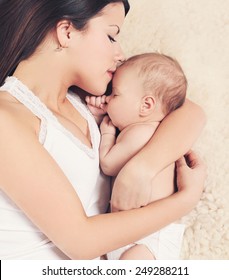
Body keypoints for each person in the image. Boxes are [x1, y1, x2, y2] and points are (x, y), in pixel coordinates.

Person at [0, 0, 206, 260]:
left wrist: (141, 168)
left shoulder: (92, 103)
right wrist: (184, 201)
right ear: (67, 32)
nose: (120, 54)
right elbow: (81, 241)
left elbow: (189, 111)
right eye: (111, 36)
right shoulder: (7, 118)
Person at [86, 52, 191, 259]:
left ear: (146, 105)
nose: (107, 99)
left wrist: (105, 129)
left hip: (146, 239)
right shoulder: (149, 131)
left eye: (115, 94)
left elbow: (108, 164)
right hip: (137, 235)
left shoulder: (141, 133)